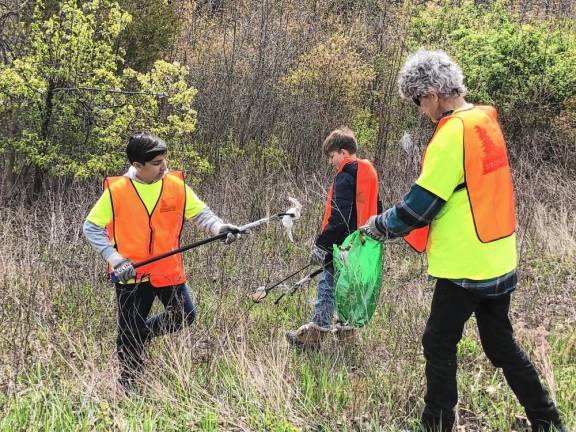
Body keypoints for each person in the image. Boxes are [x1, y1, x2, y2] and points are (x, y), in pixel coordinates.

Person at [362, 49, 565, 431]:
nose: (422, 110)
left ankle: (436, 424)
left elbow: (420, 206)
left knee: (438, 343)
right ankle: (547, 420)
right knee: (501, 345)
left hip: (465, 267)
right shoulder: (484, 121)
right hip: (499, 256)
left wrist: (378, 226)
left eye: (420, 100)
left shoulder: (451, 133)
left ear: (435, 91)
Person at [83, 132, 244, 389]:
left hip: (168, 270)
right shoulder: (117, 192)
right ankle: (130, 384)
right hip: (131, 275)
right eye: (157, 164)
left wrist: (219, 227)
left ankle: (140, 335)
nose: (164, 167)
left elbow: (201, 213)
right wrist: (114, 258)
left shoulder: (174, 185)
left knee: (184, 315)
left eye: (164, 161)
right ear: (137, 166)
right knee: (128, 331)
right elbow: (91, 227)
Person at [286, 127, 381, 347]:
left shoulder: (346, 175)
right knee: (349, 288)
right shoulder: (369, 173)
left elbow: (340, 215)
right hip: (362, 243)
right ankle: (347, 335)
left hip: (341, 244)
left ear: (344, 152)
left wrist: (322, 244)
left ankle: (315, 334)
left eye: (332, 156)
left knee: (327, 286)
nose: (331, 162)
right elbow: (378, 207)